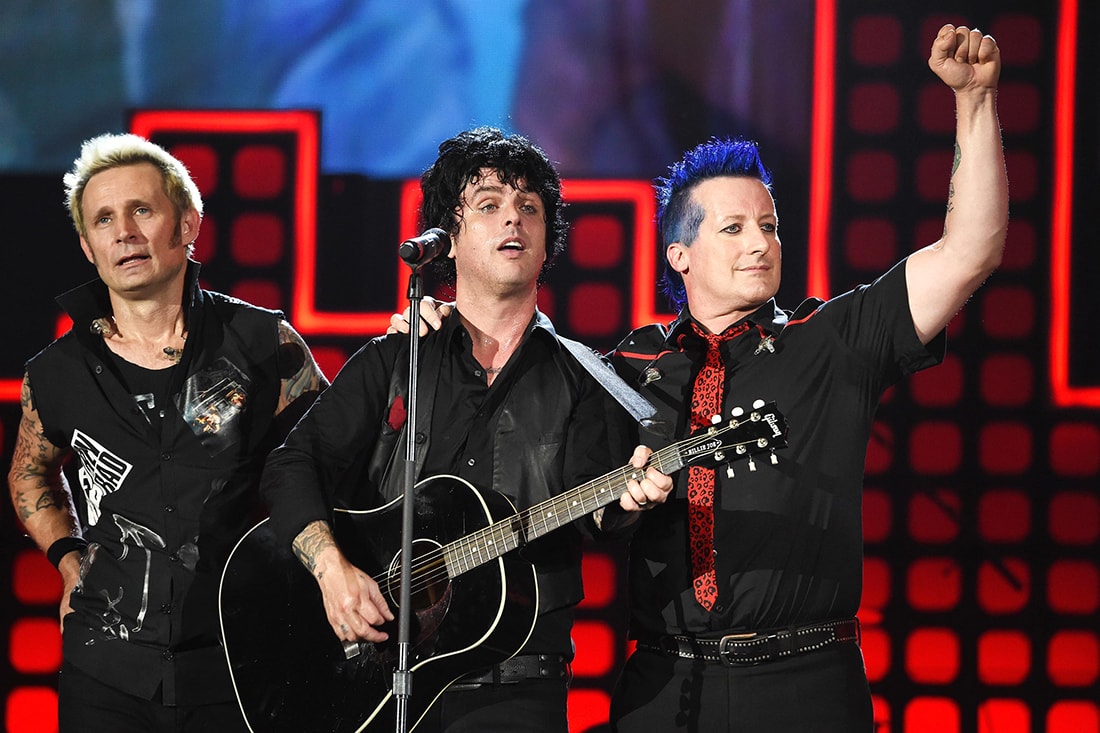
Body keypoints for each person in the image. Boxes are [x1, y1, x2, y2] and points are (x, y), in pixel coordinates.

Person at [602, 24, 1007, 731]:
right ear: (679, 254)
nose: (761, 243)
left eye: (770, 225)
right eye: (733, 228)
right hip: (663, 688)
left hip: (805, 686)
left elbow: (970, 250)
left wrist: (974, 103)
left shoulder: (833, 337)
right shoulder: (629, 369)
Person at [259, 126, 673, 733]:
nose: (513, 219)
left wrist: (629, 503)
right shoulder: (398, 357)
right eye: (488, 204)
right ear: (447, 240)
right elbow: (291, 465)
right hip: (382, 678)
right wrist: (332, 571)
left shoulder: (584, 375)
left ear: (546, 242)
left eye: (529, 207)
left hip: (518, 682)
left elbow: (598, 515)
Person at [6, 133, 328, 733]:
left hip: (244, 665)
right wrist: (67, 558)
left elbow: (331, 464)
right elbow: (29, 475)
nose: (124, 232)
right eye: (104, 219)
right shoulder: (54, 374)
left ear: (187, 225)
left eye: (142, 210)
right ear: (88, 247)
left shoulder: (264, 344)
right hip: (105, 673)